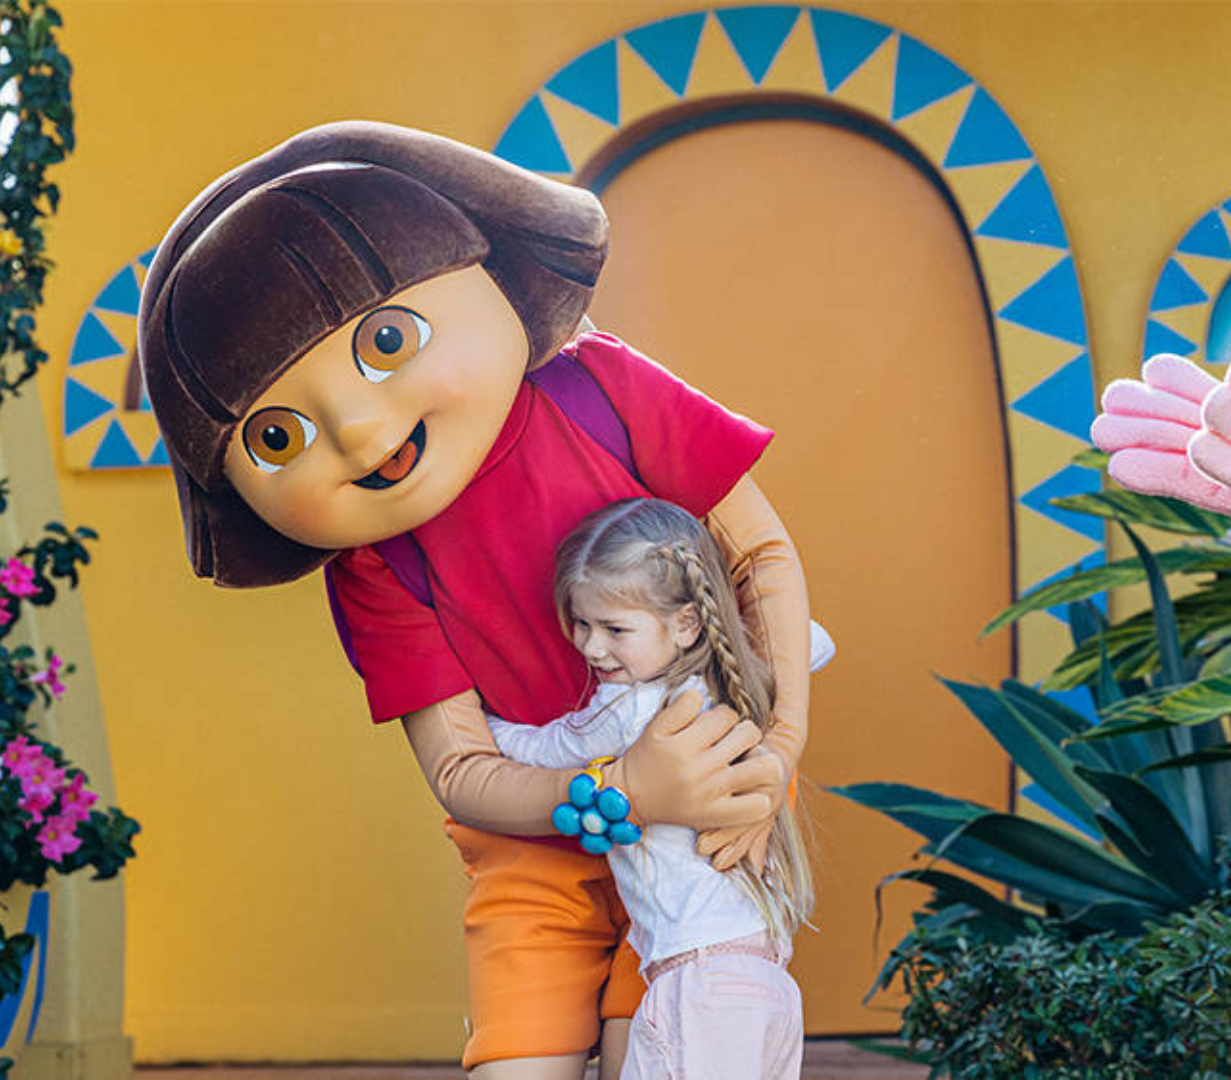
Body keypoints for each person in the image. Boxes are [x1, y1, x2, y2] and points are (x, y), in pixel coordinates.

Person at [136, 122, 815, 1075]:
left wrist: (775, 754)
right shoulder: (374, 567)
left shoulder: (600, 391)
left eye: (385, 342)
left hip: (692, 832)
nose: (362, 430)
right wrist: (620, 792)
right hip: (536, 860)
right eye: (279, 437)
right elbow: (463, 773)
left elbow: (763, 557)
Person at [487, 498, 823, 1080]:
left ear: (688, 623)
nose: (593, 648)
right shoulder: (741, 680)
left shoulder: (628, 708)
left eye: (615, 629)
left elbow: (540, 749)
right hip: (766, 983)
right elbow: (816, 642)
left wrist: (477, 719)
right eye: (582, 624)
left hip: (694, 985)